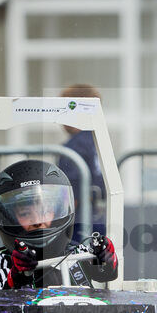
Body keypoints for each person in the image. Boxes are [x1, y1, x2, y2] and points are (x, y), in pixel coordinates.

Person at [0, 159, 117, 289]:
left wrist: (105, 255)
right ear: (10, 218)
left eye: (44, 211)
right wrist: (19, 273)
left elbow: (106, 274)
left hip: (82, 310)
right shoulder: (2, 260)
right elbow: (1, 296)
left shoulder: (77, 252)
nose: (37, 221)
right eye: (26, 214)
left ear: (57, 211)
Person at [57, 84, 106, 244]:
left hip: (77, 224)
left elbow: (72, 194)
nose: (59, 118)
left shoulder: (73, 147)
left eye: (62, 110)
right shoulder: (96, 140)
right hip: (96, 217)